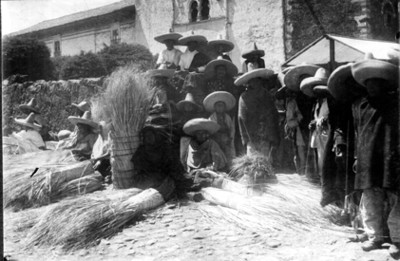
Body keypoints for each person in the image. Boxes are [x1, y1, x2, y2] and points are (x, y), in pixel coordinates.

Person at [350, 53, 400, 258]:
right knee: (371, 197)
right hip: (368, 158)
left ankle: (397, 238)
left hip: (391, 156)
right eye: (368, 83)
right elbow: (358, 133)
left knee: (395, 198)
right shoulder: (361, 106)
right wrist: (356, 157)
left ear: (383, 84)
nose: (371, 87)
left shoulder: (395, 103)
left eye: (376, 83)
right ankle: (376, 236)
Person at [235, 68, 280, 160]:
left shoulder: (267, 95)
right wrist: (245, 137)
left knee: (265, 158)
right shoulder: (244, 97)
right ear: (249, 83)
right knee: (252, 159)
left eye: (258, 81)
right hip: (250, 132)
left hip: (266, 132)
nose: (256, 83)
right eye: (253, 81)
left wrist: (272, 133)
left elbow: (273, 113)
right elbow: (241, 117)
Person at [284, 64, 320, 177]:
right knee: (302, 158)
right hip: (301, 133)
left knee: (317, 158)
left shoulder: (316, 98)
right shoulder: (294, 102)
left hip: (317, 133)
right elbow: (290, 121)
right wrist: (298, 120)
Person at [300, 68, 330, 178]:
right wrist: (313, 123)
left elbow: (331, 118)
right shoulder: (317, 104)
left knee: (326, 159)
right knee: (320, 158)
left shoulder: (330, 103)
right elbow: (317, 118)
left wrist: (324, 121)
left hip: (327, 134)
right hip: (318, 134)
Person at [203, 91, 236, 165]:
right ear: (215, 107)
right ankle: (218, 165)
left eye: (222, 105)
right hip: (215, 138)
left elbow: (232, 128)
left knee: (228, 152)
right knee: (216, 153)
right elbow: (210, 129)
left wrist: (230, 137)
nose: (220, 107)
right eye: (218, 105)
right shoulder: (212, 117)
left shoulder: (227, 117)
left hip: (226, 138)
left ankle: (229, 166)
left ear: (224, 107)